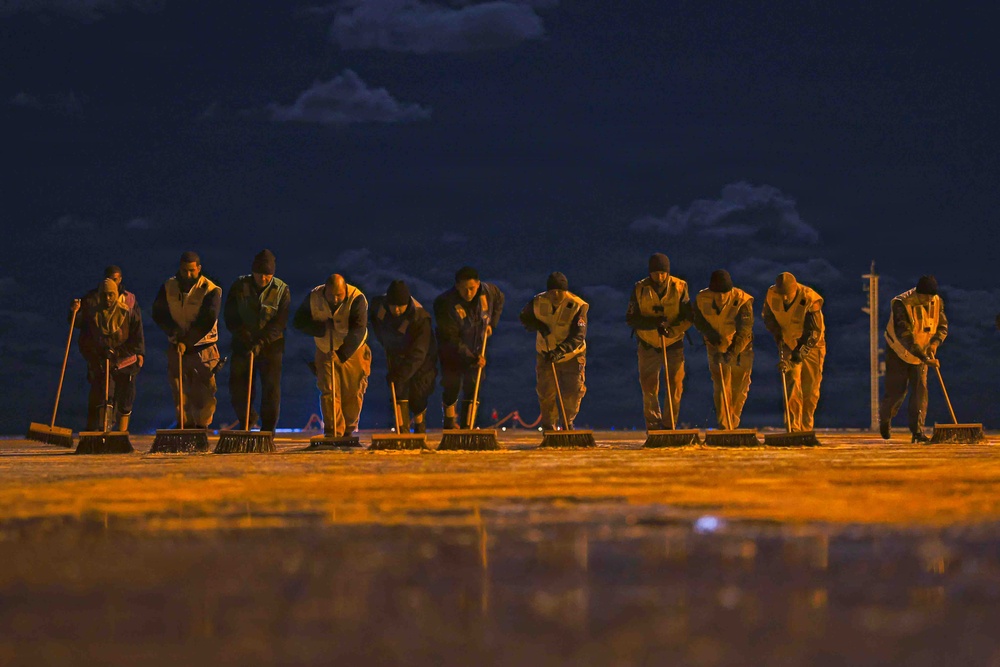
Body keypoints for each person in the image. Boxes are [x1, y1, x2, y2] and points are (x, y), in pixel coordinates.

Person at [293, 274, 371, 438]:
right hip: (324, 348)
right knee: (328, 390)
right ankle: (333, 429)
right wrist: (319, 328)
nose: (335, 299)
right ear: (325, 290)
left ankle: (349, 428)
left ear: (345, 290)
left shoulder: (357, 298)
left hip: (353, 349)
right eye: (331, 295)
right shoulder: (314, 296)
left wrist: (342, 354)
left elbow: (358, 331)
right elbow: (298, 322)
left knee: (353, 390)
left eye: (339, 295)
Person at [152, 251, 223, 429]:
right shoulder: (169, 286)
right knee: (180, 392)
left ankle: (201, 429)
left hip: (203, 347)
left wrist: (188, 340)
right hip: (177, 347)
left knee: (204, 394)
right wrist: (174, 332)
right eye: (185, 270)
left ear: (199, 268)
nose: (188, 274)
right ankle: (184, 426)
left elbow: (207, 320)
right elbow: (158, 312)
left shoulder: (210, 289)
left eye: (192, 270)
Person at [223, 249, 290, 431]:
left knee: (270, 389)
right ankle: (247, 420)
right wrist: (244, 336)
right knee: (238, 387)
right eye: (260, 275)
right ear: (253, 272)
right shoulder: (239, 286)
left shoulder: (282, 290)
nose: (263, 279)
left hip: (271, 346)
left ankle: (268, 430)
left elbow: (279, 322)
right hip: (242, 342)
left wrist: (261, 342)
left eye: (268, 275)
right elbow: (230, 316)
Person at [625, 253, 693, 431]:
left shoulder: (680, 287)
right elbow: (631, 318)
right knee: (649, 387)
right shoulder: (639, 288)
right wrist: (653, 324)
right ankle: (654, 428)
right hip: (648, 345)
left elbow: (688, 317)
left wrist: (673, 330)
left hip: (673, 344)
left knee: (675, 386)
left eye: (663, 273)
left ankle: (669, 426)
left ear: (668, 272)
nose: (659, 277)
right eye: (655, 273)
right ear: (650, 273)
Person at [433, 266, 504, 429]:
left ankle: (467, 426)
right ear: (457, 286)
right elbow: (451, 338)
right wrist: (471, 357)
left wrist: (492, 323)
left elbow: (500, 299)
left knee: (474, 384)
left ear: (478, 284)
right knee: (452, 383)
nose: (469, 293)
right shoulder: (445, 304)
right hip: (451, 348)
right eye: (464, 289)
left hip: (476, 344)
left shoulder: (488, 292)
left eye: (472, 288)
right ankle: (450, 423)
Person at [880, 275, 948, 443]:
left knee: (920, 392)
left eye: (931, 297)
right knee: (897, 392)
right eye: (925, 297)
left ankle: (917, 432)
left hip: (922, 353)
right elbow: (905, 336)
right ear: (918, 293)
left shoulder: (936, 301)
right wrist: (925, 358)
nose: (929, 301)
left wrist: (935, 343)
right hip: (899, 351)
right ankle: (886, 418)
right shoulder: (901, 303)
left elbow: (942, 326)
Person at [520, 272, 588, 430]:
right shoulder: (537, 301)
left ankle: (567, 423)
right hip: (545, 353)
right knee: (546, 393)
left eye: (560, 291)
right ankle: (549, 428)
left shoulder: (577, 305)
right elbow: (524, 317)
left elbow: (578, 336)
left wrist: (559, 351)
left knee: (573, 392)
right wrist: (537, 325)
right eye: (552, 292)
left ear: (566, 290)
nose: (556, 294)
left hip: (572, 355)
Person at [74, 278, 144, 431]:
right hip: (102, 363)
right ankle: (104, 432)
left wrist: (121, 353)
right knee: (105, 397)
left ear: (116, 294)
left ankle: (122, 435)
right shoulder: (93, 315)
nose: (108, 298)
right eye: (104, 295)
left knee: (126, 399)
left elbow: (136, 338)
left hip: (126, 362)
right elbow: (85, 340)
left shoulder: (127, 312)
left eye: (111, 295)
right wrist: (96, 355)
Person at [369, 280, 437, 433]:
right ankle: (402, 429)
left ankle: (420, 426)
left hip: (422, 358)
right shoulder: (379, 306)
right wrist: (384, 340)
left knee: (418, 394)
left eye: (401, 306)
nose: (397, 310)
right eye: (394, 306)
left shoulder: (420, 318)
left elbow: (419, 353)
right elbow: (375, 320)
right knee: (398, 391)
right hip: (396, 352)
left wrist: (401, 375)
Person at [762, 272, 826, 431]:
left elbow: (814, 333)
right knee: (792, 383)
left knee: (810, 389)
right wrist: (776, 333)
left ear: (795, 290)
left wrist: (799, 355)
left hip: (812, 346)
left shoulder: (810, 299)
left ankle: (806, 426)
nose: (784, 298)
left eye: (787, 295)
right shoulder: (772, 294)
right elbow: (768, 316)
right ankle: (793, 428)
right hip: (787, 342)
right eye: (781, 294)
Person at [693, 270, 754, 428]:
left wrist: (731, 353)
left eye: (724, 293)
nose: (720, 297)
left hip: (741, 346)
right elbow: (698, 320)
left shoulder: (742, 300)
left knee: (740, 387)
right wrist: (711, 335)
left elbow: (744, 331)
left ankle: (733, 421)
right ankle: (724, 425)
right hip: (715, 344)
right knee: (721, 384)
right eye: (716, 293)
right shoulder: (701, 298)